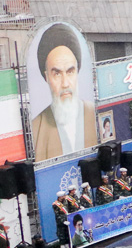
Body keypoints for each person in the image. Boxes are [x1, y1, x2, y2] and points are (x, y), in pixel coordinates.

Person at [30, 23, 97, 161]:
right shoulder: (36, 128)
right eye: (57, 74)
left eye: (70, 72)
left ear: (77, 72)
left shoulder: (95, 113)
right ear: (47, 77)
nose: (65, 83)